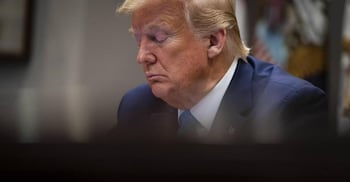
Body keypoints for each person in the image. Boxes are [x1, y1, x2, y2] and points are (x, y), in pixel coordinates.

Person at [111, 0, 328, 144]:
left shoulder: (290, 108)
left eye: (157, 38)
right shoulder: (135, 107)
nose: (141, 57)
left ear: (214, 41)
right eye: (138, 41)